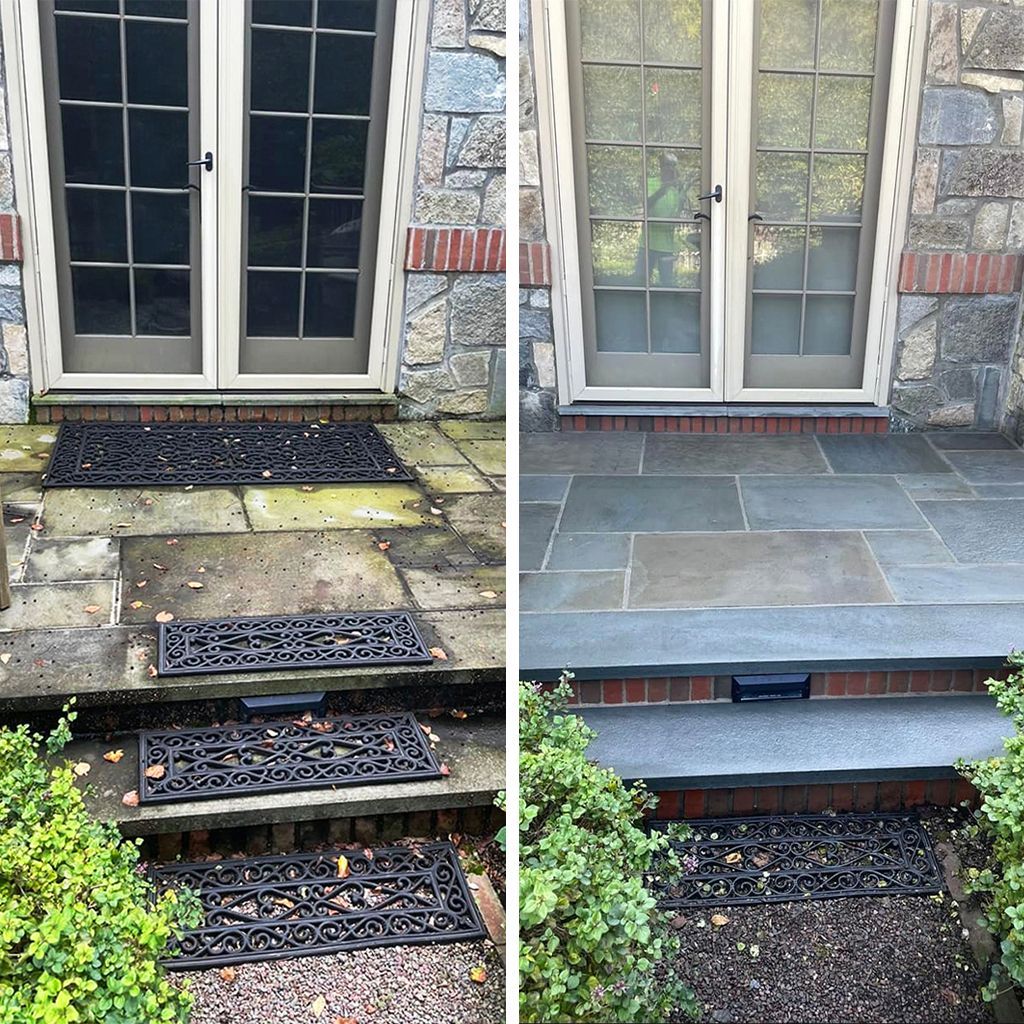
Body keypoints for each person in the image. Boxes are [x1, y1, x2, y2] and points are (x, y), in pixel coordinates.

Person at [646, 152, 684, 286]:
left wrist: (680, 191)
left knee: (667, 283)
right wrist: (664, 187)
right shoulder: (650, 183)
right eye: (667, 165)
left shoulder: (677, 188)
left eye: (673, 165)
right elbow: (646, 205)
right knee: (641, 282)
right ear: (661, 166)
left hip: (667, 245)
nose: (670, 168)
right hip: (647, 243)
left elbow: (677, 214)